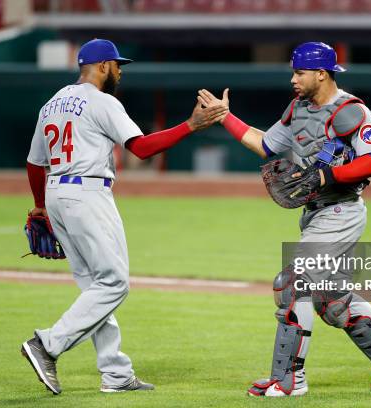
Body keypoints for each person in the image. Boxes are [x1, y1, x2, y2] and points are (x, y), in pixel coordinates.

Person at [198, 42, 371, 397]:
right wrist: (225, 117)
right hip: (316, 214)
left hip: (340, 212)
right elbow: (266, 144)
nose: (293, 79)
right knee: (332, 302)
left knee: (292, 284)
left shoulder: (352, 111)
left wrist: (326, 178)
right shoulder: (298, 109)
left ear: (321, 74)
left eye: (299, 72)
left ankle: (289, 380)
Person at [21, 38, 227, 395]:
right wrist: (190, 126)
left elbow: (34, 163)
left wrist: (41, 205)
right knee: (115, 283)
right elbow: (142, 148)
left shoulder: (51, 103)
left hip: (57, 191)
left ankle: (115, 373)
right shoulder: (102, 101)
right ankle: (47, 344)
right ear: (102, 67)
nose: (119, 71)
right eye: (116, 65)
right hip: (87, 194)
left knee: (94, 287)